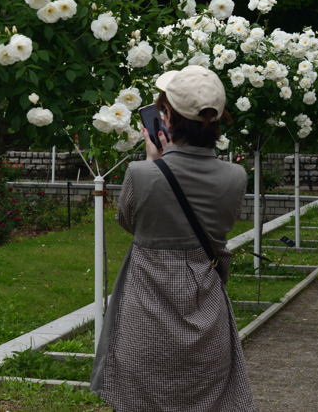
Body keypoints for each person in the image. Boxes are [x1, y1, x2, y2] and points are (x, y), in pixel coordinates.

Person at [91, 65, 255, 412]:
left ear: (166, 117)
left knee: (142, 399)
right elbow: (223, 223)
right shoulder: (236, 176)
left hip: (146, 310)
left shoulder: (141, 173)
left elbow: (128, 221)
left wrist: (155, 164)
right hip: (206, 306)